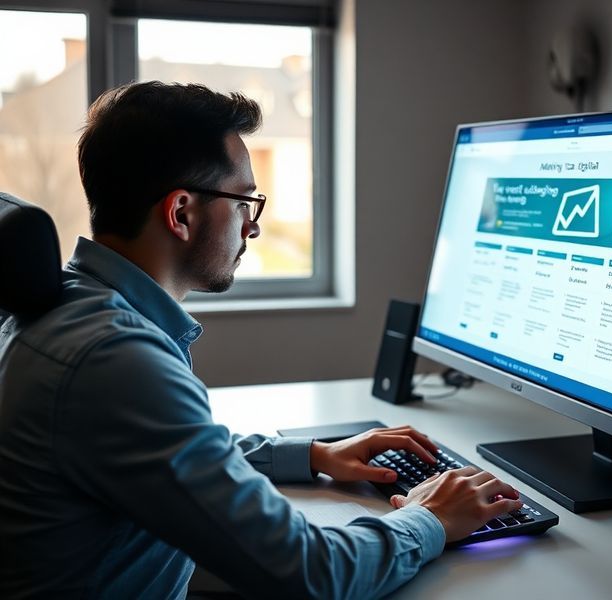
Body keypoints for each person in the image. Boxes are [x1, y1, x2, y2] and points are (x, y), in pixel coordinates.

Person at [0, 81, 523, 599]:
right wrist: (428, 519)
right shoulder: (114, 360)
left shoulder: (75, 308)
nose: (252, 228)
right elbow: (310, 574)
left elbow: (173, 457)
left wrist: (313, 455)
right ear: (181, 213)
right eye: (244, 202)